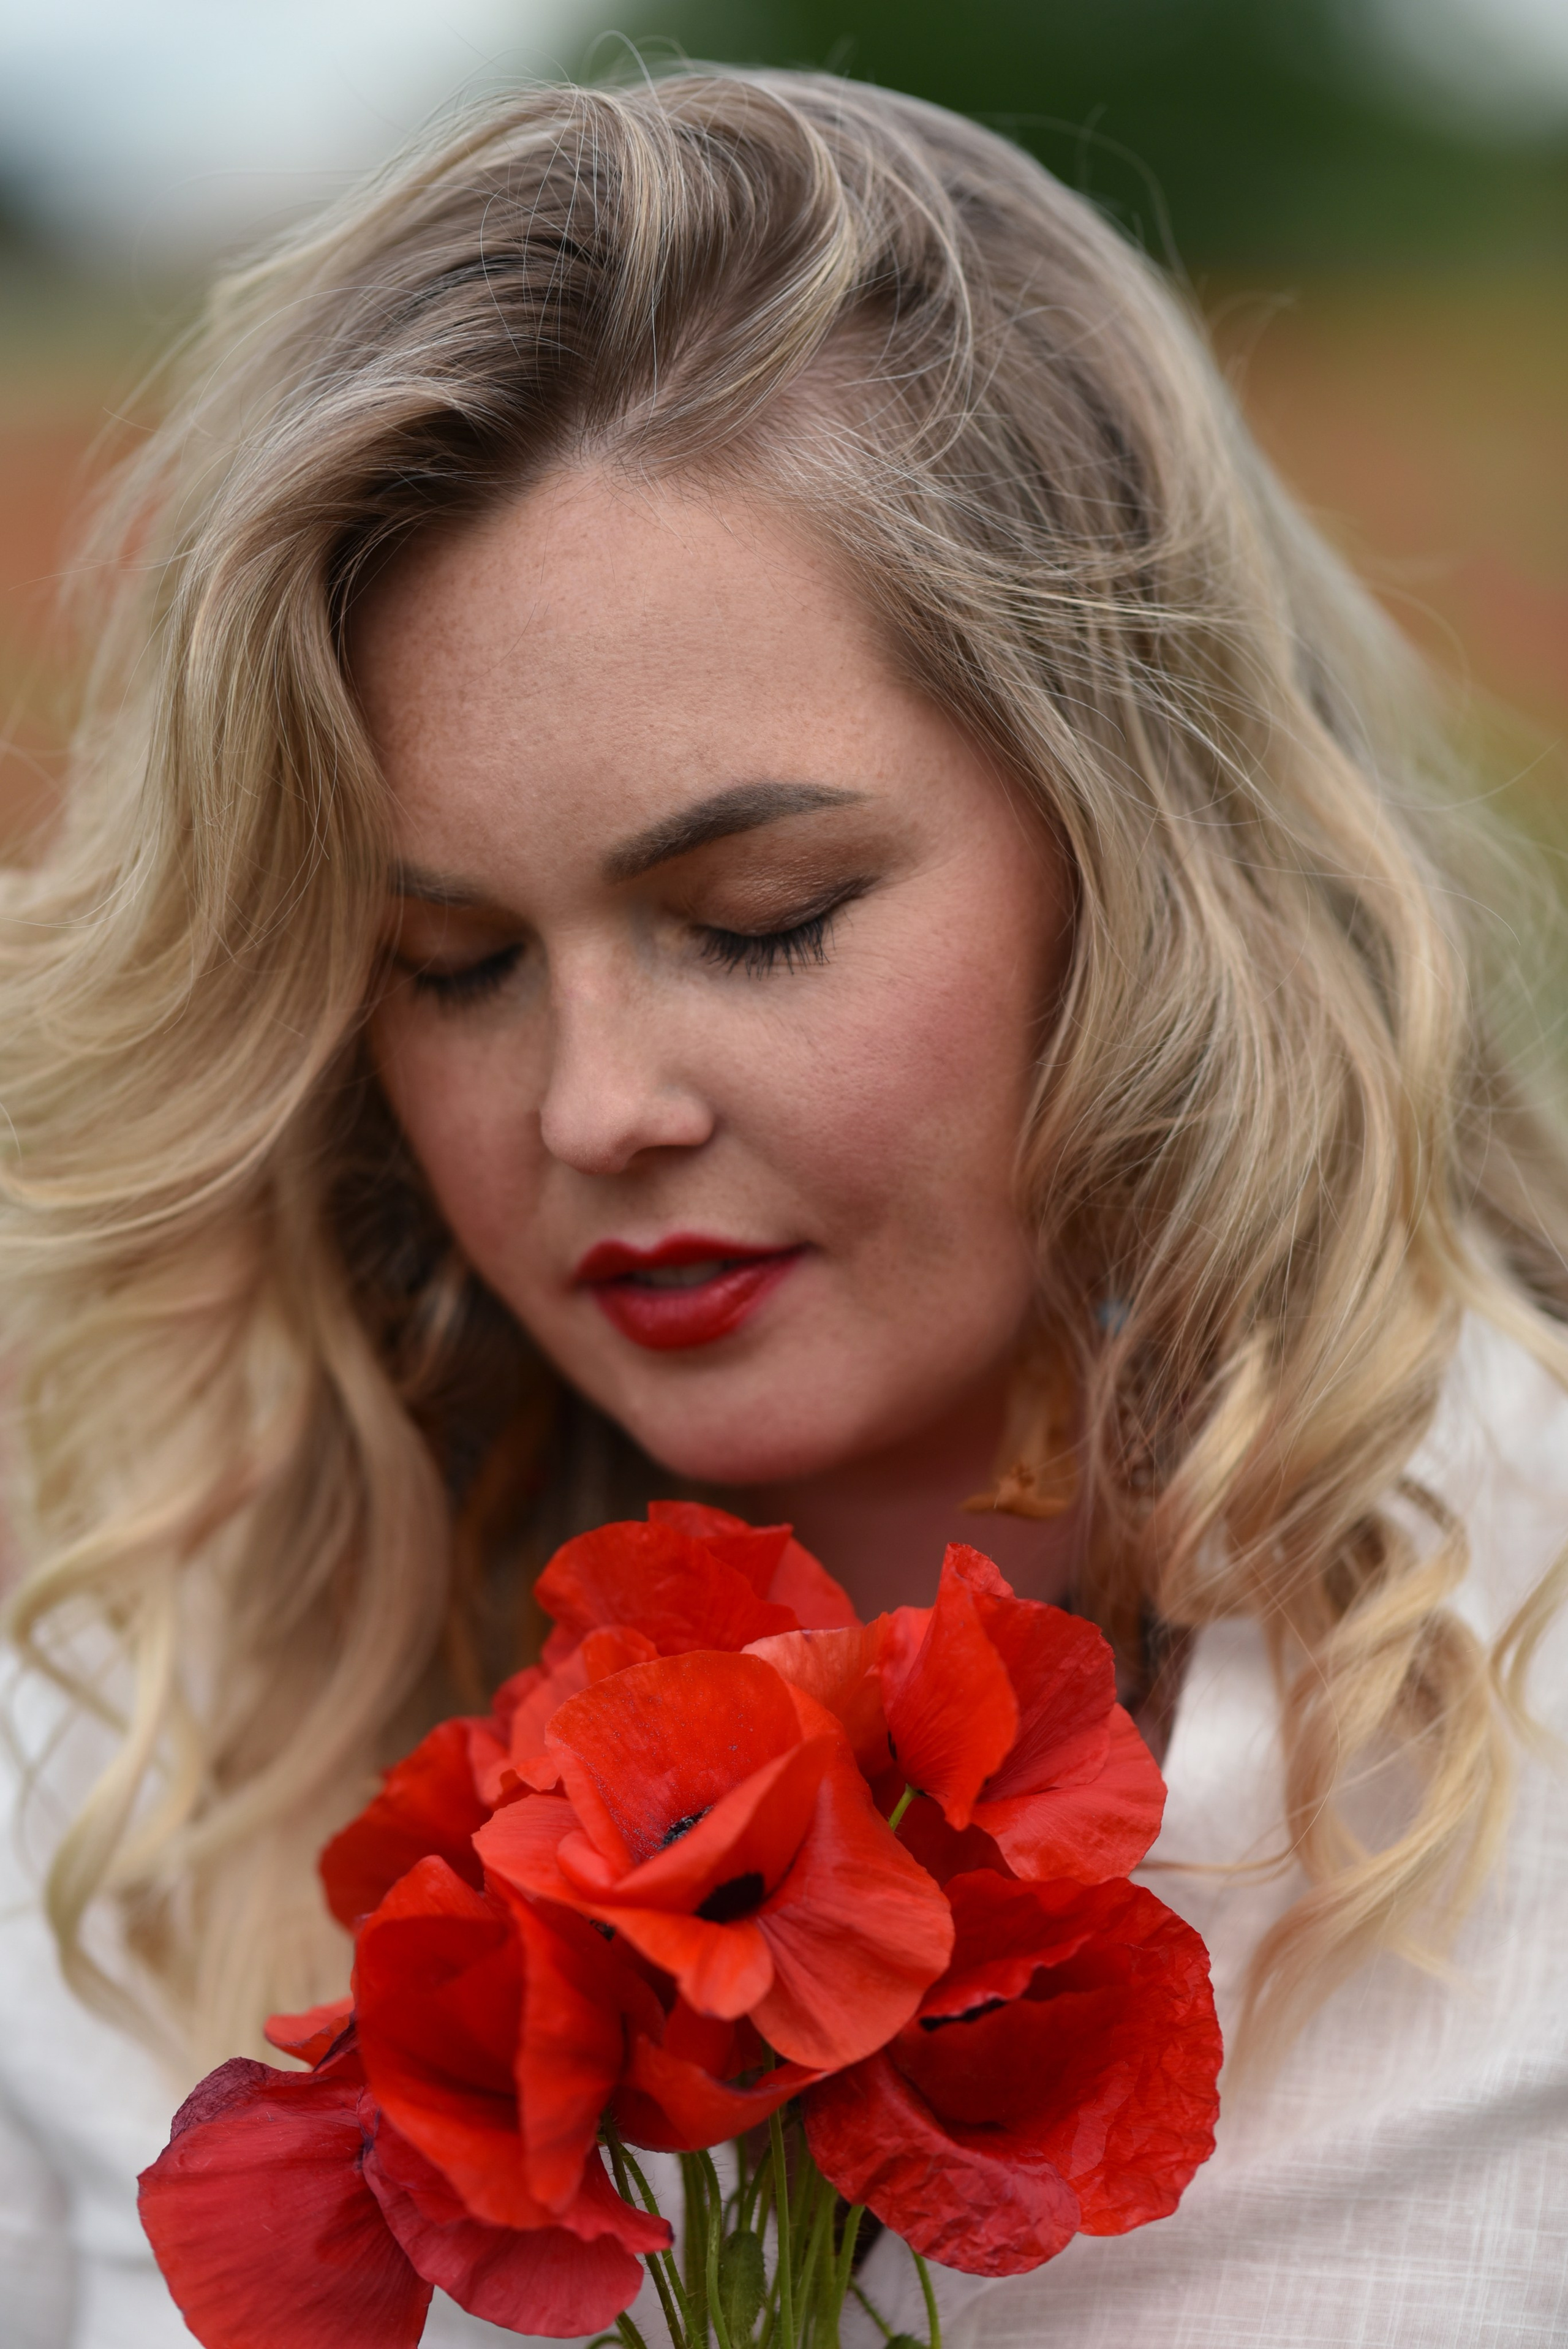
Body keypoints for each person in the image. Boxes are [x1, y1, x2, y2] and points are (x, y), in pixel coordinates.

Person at [1, 67, 1564, 2349]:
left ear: (1138, 852)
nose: (596, 1106)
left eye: (758, 914)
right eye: (448, 967)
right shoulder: (139, 1758)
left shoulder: (1518, 1701)